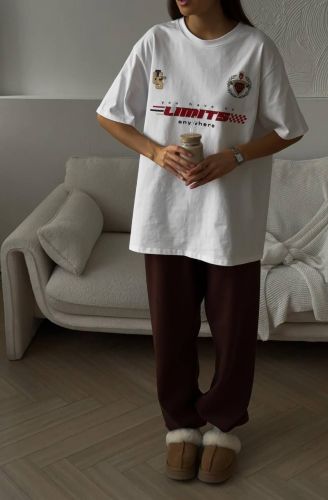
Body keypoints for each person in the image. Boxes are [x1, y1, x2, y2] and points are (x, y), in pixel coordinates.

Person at [96, 0, 309, 484]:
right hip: (164, 215)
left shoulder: (254, 48)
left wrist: (235, 156)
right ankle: (181, 424)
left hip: (229, 218)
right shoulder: (157, 42)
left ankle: (224, 426)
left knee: (234, 331)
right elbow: (110, 115)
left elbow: (290, 128)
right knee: (171, 327)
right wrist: (155, 152)